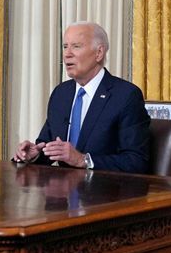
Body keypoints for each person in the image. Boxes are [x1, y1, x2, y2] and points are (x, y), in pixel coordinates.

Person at [13, 22, 150, 173]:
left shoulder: (125, 96)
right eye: (65, 46)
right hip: (62, 192)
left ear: (99, 53)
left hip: (103, 192)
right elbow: (49, 146)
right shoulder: (61, 93)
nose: (67, 54)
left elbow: (136, 161)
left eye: (76, 46)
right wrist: (34, 154)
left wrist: (83, 160)